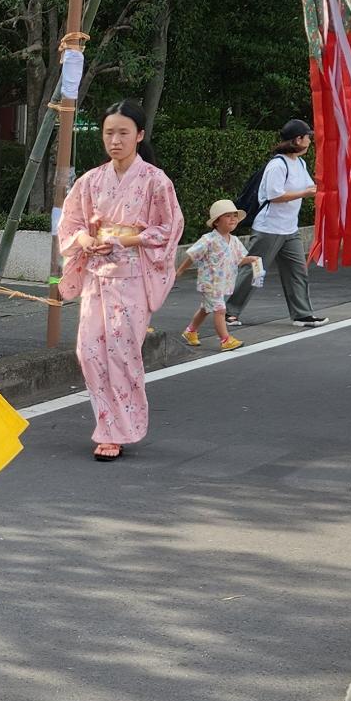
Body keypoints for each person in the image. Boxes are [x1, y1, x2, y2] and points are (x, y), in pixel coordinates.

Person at [55, 99, 184, 460]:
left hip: (132, 277)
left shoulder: (156, 182)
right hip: (97, 277)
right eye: (109, 132)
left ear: (139, 136)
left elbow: (169, 227)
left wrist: (125, 239)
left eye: (123, 133)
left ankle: (116, 431)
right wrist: (85, 241)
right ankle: (108, 422)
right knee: (90, 351)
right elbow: (71, 223)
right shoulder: (91, 180)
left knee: (122, 352)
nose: (115, 140)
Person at [226, 118, 325, 328]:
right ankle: (228, 311)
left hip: (289, 229)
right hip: (269, 228)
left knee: (297, 271)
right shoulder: (277, 165)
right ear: (298, 139)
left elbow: (310, 186)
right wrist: (305, 193)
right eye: (308, 137)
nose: (310, 140)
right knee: (254, 269)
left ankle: (302, 314)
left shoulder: (299, 163)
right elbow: (274, 195)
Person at [178, 199, 255, 352]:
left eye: (234, 216)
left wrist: (251, 260)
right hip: (210, 282)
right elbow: (193, 255)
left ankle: (190, 331)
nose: (233, 219)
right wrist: (180, 271)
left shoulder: (234, 241)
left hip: (223, 282)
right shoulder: (208, 239)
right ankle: (225, 339)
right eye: (228, 216)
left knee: (206, 309)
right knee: (220, 310)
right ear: (216, 222)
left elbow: (238, 260)